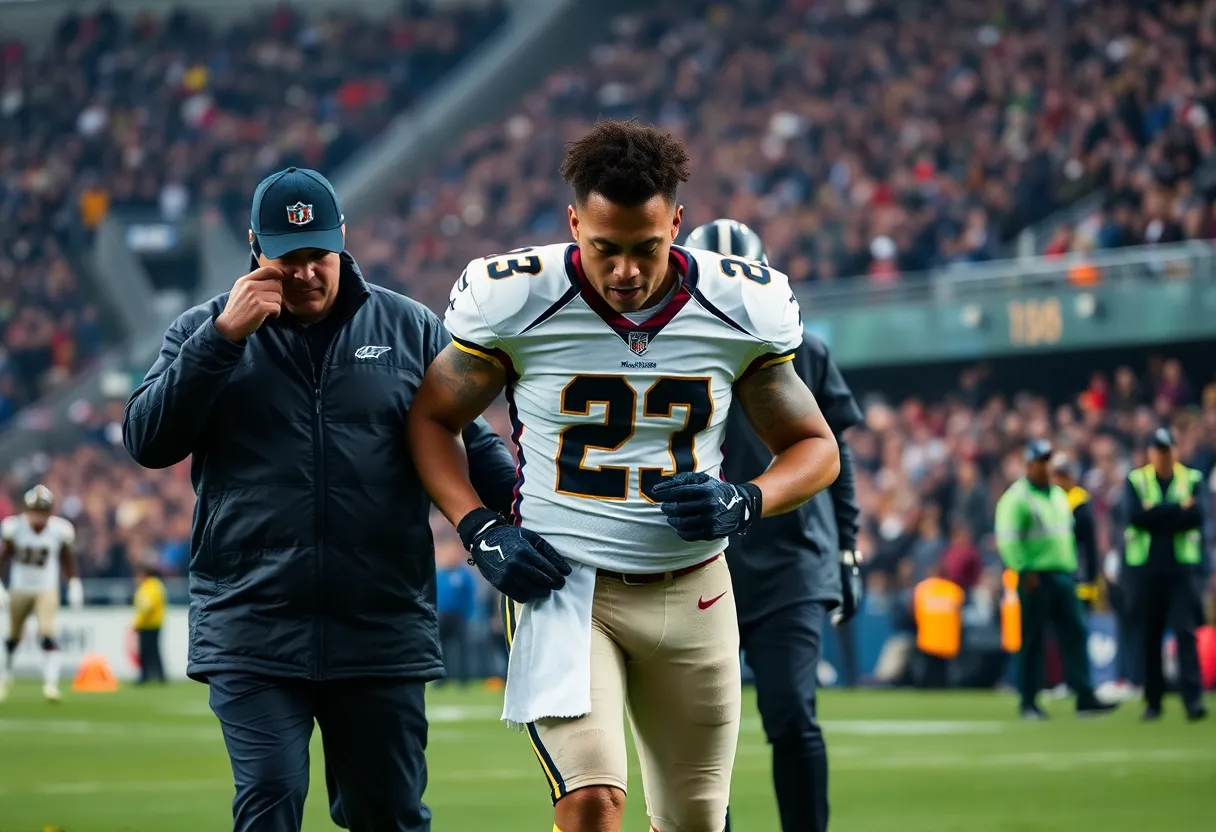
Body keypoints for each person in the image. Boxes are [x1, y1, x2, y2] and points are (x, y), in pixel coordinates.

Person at [407, 120, 840, 832]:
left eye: (647, 248)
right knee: (591, 803)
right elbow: (431, 420)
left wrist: (745, 500)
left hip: (695, 587)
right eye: (605, 248)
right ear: (574, 223)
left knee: (695, 819)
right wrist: (477, 526)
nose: (627, 272)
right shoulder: (518, 297)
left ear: (677, 223)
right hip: (564, 585)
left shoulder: (737, 304)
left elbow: (815, 446)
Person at [122, 167, 519, 832]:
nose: (306, 273)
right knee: (270, 794)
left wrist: (522, 518)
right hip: (252, 622)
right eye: (288, 258)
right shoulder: (203, 328)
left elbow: (472, 443)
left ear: (343, 240)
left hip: (380, 626)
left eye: (319, 255)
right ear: (255, 248)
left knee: (387, 813)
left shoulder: (410, 328)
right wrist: (221, 341)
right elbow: (147, 440)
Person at [685, 218, 863, 832]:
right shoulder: (667, 351)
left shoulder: (800, 347)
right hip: (702, 560)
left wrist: (847, 551)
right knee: (701, 728)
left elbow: (833, 455)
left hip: (791, 559)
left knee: (791, 711)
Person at [994, 439, 1117, 719]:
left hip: (1063, 574)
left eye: (1048, 461)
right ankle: (1028, 701)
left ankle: (1084, 695)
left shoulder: (1058, 495)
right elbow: (1008, 540)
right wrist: (1023, 570)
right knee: (1033, 639)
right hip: (1034, 575)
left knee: (1075, 633)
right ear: (1029, 464)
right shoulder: (1017, 498)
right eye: (1040, 461)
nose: (1045, 466)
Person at [1121, 427, 1209, 722]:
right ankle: (1153, 701)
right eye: (1158, 450)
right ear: (1149, 453)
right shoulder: (1137, 480)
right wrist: (1176, 510)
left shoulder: (1192, 478)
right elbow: (1135, 517)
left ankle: (1192, 700)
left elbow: (1196, 516)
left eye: (1167, 449)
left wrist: (1156, 512)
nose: (1163, 456)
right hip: (1147, 569)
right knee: (1151, 635)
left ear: (1175, 450)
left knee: (1185, 633)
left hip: (1181, 569)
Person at [0, 484, 83, 702]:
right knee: (13, 637)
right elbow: (3, 557)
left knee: (47, 633)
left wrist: (74, 583)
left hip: (46, 588)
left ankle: (50, 684)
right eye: (35, 511)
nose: (39, 517)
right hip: (20, 588)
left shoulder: (58, 530)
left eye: (43, 512)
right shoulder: (15, 528)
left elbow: (67, 558)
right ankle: (5, 675)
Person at [1050, 454, 1100, 607]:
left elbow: (1088, 546)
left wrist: (1090, 580)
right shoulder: (1054, 499)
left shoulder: (1078, 501)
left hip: (1077, 578)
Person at [132, 562, 167, 684]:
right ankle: (159, 675)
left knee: (147, 651)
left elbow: (146, 607)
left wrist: (138, 623)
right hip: (154, 623)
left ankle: (146, 675)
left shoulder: (149, 587)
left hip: (148, 624)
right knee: (154, 651)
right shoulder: (155, 585)